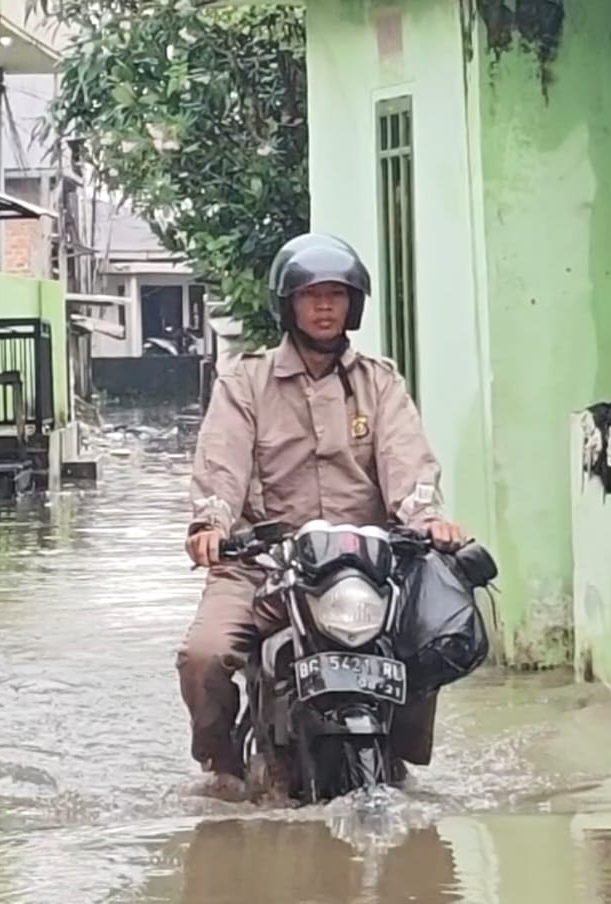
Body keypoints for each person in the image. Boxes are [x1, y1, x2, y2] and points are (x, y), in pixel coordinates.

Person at [178, 232, 466, 798]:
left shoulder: (379, 382)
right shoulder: (246, 382)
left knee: (426, 639)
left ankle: (400, 753)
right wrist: (211, 525)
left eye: (337, 294)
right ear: (288, 305)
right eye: (312, 295)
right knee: (204, 655)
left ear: (353, 304)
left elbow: (406, 460)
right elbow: (223, 462)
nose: (325, 306)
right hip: (263, 562)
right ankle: (222, 768)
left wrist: (427, 518)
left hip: (363, 567)